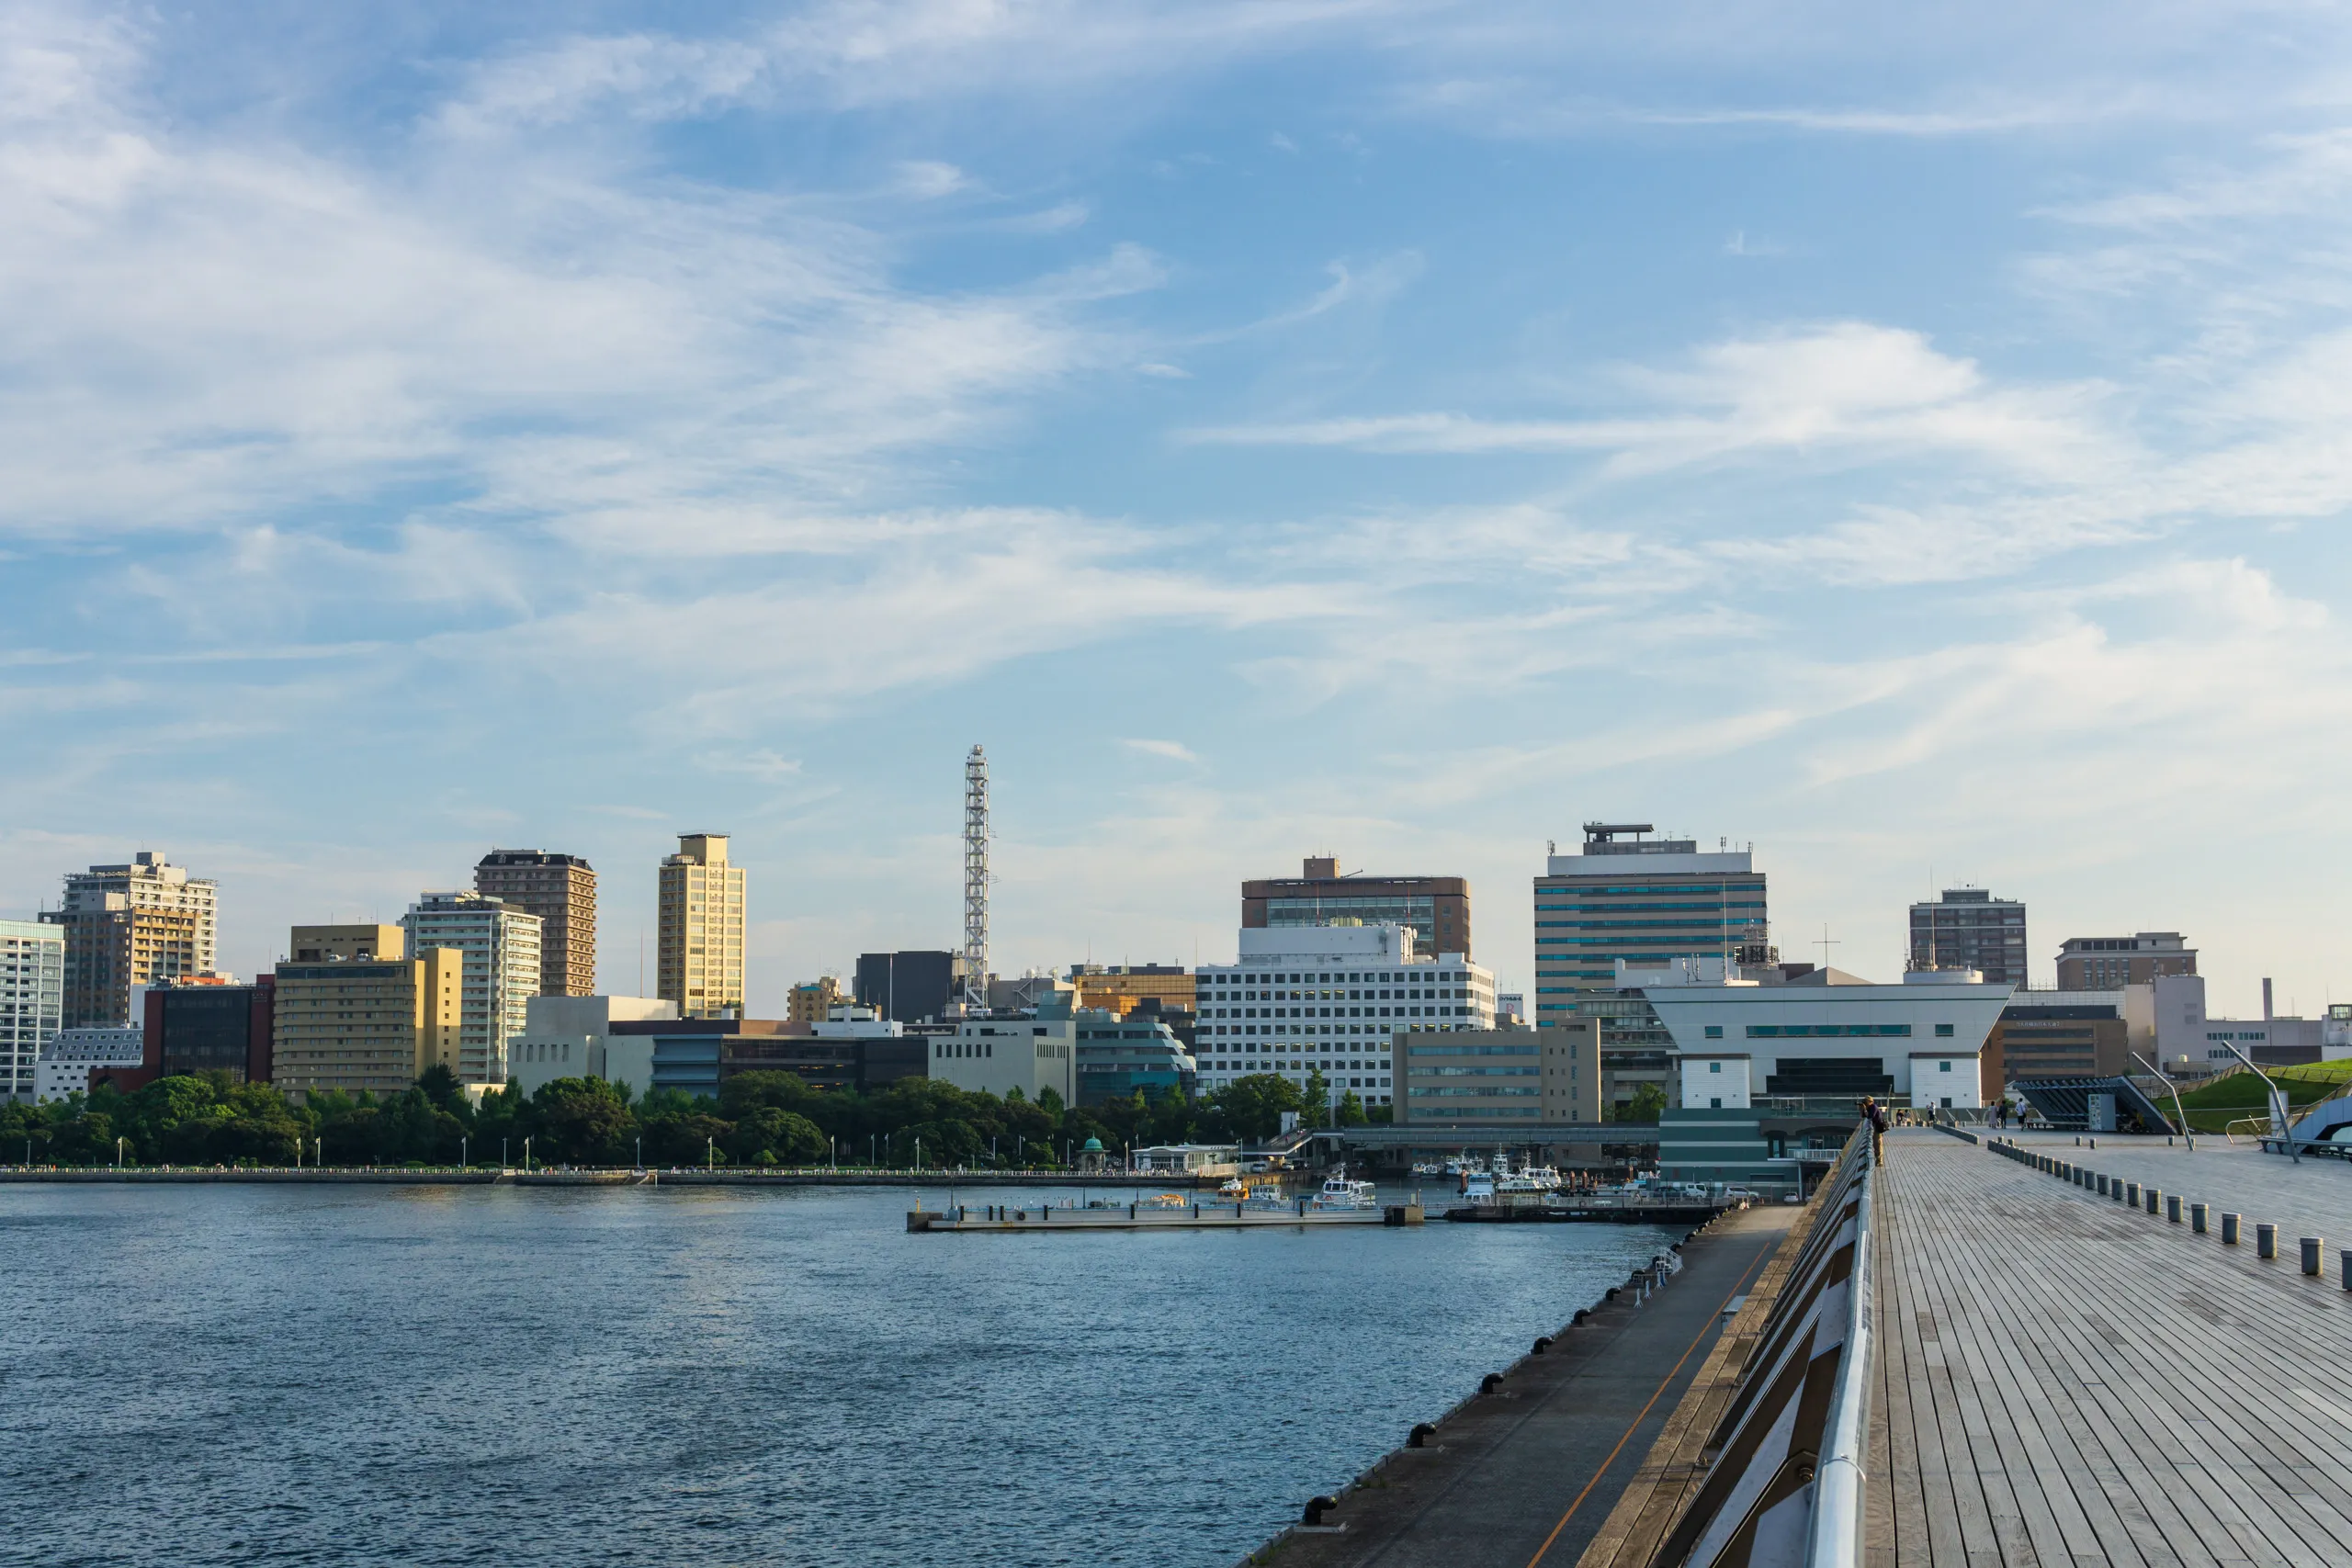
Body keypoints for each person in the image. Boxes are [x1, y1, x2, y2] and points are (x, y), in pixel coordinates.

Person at [1862, 1094, 1889, 1165]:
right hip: (1875, 1127)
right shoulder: (1869, 1107)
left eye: (1866, 1101)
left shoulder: (1873, 1107)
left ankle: (1879, 1161)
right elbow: (1864, 1116)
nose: (1865, 1103)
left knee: (1877, 1143)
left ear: (1870, 1101)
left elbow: (1870, 1116)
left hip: (1878, 1127)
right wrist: (1863, 1109)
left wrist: (1865, 1110)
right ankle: (1878, 1159)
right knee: (1875, 1143)